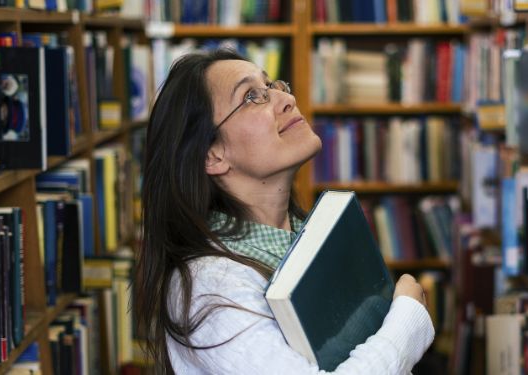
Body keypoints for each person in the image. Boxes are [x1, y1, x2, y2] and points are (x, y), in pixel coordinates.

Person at [133, 49, 434, 374]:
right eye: (251, 97)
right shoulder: (208, 287)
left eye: (273, 85)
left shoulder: (307, 236)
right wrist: (406, 320)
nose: (284, 99)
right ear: (214, 155)